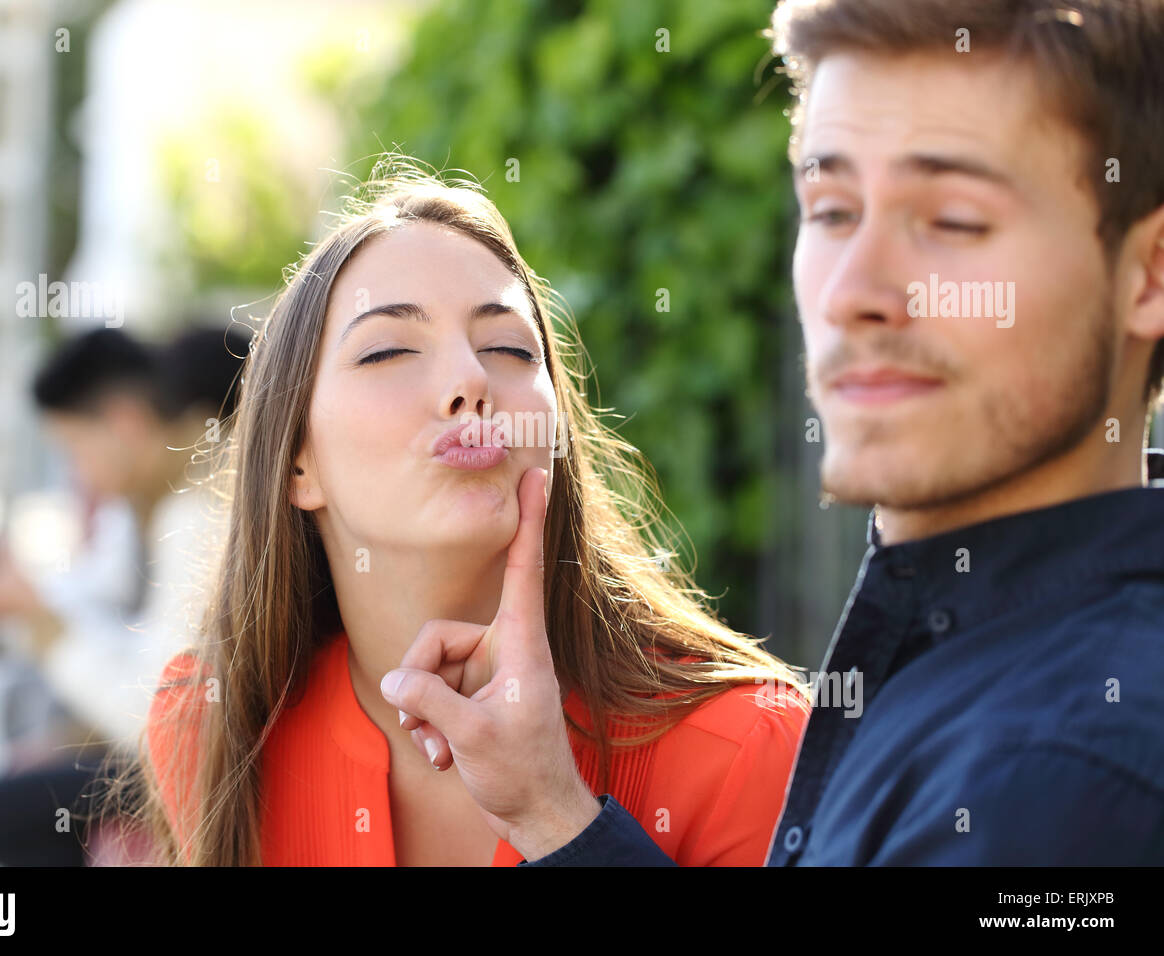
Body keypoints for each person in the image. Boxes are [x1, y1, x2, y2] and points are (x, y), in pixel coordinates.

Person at [429, 0, 1164, 866]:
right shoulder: (982, 661)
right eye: (832, 209)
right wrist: (551, 812)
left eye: (955, 221)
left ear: (1147, 276)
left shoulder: (1055, 784)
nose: (854, 287)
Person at [139, 159, 812, 866]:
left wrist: (557, 818)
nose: (470, 380)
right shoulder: (210, 727)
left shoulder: (749, 746)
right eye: (390, 350)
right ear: (297, 460)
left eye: (508, 349)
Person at [0, 324, 247, 865]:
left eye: (73, 448)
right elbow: (92, 596)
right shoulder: (145, 501)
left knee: (1, 811)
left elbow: (158, 725)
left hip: (227, 767)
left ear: (124, 421)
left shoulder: (198, 511)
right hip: (202, 745)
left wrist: (43, 628)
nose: (76, 473)